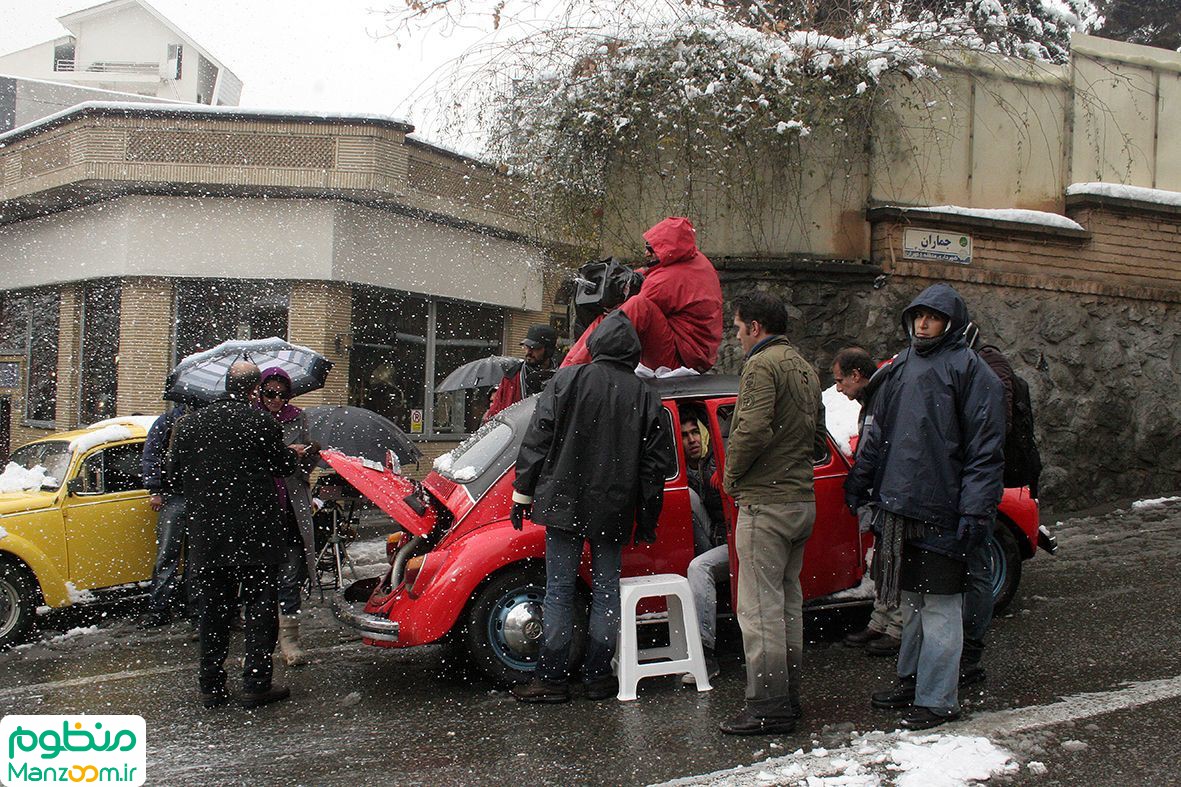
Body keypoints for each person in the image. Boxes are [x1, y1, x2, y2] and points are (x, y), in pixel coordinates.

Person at [846, 284, 1004, 731]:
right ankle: (912, 680)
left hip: (943, 510)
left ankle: (938, 697)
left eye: (932, 317)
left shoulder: (972, 373)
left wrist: (975, 510)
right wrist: (861, 480)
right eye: (917, 316)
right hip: (900, 508)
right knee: (912, 603)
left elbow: (984, 451)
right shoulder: (901, 366)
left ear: (950, 322)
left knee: (940, 608)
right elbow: (878, 433)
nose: (922, 324)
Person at [509, 310, 670, 703]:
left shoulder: (568, 380)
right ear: (632, 351)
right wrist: (647, 517)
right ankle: (598, 675)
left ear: (596, 346)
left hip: (564, 499)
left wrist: (522, 492)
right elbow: (654, 466)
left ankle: (551, 679)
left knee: (560, 589)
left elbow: (538, 438)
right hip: (614, 504)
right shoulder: (646, 394)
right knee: (605, 589)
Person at [720, 291, 824, 736]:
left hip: (766, 502)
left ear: (755, 327)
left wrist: (729, 476)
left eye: (738, 326)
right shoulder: (804, 367)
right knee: (786, 605)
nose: (736, 335)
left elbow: (752, 428)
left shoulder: (761, 366)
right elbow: (820, 440)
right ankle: (787, 696)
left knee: (759, 610)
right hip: (801, 500)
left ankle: (768, 705)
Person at [171, 361, 302, 709]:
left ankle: (210, 684)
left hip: (208, 533)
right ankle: (256, 682)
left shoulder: (188, 426)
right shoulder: (260, 422)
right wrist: (291, 454)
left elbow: (171, 478)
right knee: (259, 604)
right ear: (254, 390)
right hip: (255, 532)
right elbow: (283, 466)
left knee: (214, 609)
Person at [561, 217, 723, 373]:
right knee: (615, 316)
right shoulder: (693, 261)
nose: (646, 253)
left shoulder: (665, 282)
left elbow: (628, 310)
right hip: (692, 353)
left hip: (681, 360)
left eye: (652, 248)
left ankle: (572, 370)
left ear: (669, 249)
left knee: (622, 313)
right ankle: (569, 368)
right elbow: (654, 277)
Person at [832, 347, 903, 657]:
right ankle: (882, 621)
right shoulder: (876, 396)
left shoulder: (881, 397)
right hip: (884, 489)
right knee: (883, 560)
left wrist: (858, 482)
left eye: (840, 380)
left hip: (890, 491)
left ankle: (896, 627)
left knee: (892, 560)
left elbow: (874, 447)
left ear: (856, 375)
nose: (837, 388)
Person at [958, 321, 1016, 688]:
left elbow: (991, 435)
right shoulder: (969, 367)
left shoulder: (988, 371)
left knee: (976, 571)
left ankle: (970, 654)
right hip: (962, 480)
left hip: (976, 482)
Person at [256, 367, 319, 667]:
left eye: (282, 394)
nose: (276, 400)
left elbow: (309, 458)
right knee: (262, 577)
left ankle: (290, 640)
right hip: (262, 505)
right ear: (260, 392)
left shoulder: (299, 417)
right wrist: (283, 454)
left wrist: (305, 458)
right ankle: (261, 638)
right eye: (270, 393)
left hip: (292, 505)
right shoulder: (251, 419)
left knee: (290, 575)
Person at [681, 413, 726, 686]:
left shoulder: (719, 460)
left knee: (699, 568)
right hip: (712, 536)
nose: (692, 440)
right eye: (684, 435)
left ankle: (705, 654)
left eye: (695, 432)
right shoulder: (685, 468)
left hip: (733, 542)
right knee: (686, 495)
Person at [138, 403, 191, 629]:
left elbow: (151, 456)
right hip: (175, 495)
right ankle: (162, 606)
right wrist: (156, 489)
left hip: (188, 494)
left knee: (190, 557)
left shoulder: (172, 421)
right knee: (169, 554)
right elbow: (151, 456)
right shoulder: (168, 422)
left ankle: (185, 606)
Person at [484, 324, 559, 421]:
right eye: (527, 347)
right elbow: (495, 415)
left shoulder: (562, 376)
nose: (529, 352)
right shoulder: (511, 377)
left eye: (535, 348)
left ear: (548, 350)